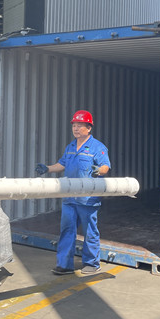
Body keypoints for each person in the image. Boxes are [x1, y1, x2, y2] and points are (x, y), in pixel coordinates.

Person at [35, 110, 111, 276]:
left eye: (79, 125)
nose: (75, 128)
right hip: (70, 198)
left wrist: (99, 170)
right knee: (67, 230)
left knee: (90, 231)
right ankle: (64, 265)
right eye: (74, 125)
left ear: (89, 128)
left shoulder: (97, 147)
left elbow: (105, 166)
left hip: (88, 199)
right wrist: (47, 168)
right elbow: (62, 164)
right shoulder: (70, 147)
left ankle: (92, 263)